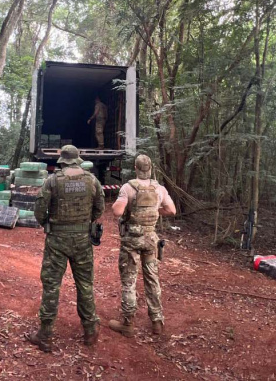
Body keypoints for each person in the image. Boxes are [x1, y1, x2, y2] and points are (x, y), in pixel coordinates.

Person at [27, 145, 105, 352]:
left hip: (57, 240)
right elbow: (100, 207)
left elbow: (39, 210)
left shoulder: (53, 181)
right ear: (78, 159)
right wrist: (86, 222)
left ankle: (45, 335)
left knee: (52, 285)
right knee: (85, 284)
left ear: (62, 160)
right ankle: (90, 331)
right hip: (82, 240)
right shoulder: (92, 180)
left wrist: (48, 224)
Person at [108, 154, 176, 337]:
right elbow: (172, 210)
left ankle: (128, 323)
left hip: (132, 240)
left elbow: (117, 211)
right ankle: (157, 322)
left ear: (136, 168)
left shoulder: (128, 188)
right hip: (150, 240)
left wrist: (130, 208)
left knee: (129, 280)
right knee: (152, 279)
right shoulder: (159, 188)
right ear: (151, 169)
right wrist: (155, 210)